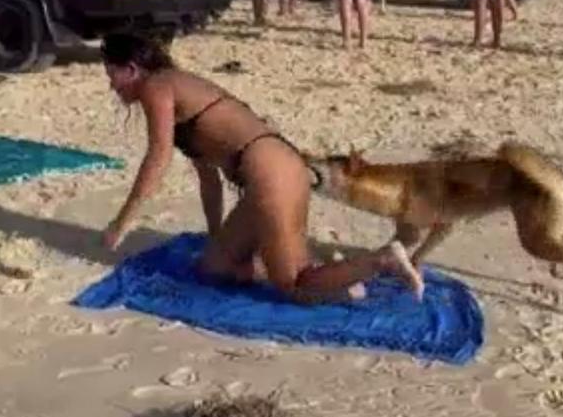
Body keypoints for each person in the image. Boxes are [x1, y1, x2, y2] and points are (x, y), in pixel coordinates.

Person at [99, 32, 423, 303]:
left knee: (295, 285)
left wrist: (122, 222)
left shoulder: (156, 87)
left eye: (111, 74)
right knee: (215, 267)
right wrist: (215, 235)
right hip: (269, 171)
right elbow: (208, 180)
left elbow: (158, 156)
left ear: (130, 69)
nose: (111, 85)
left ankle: (380, 260)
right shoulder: (177, 88)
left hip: (273, 172)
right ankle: (335, 271)